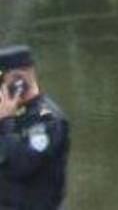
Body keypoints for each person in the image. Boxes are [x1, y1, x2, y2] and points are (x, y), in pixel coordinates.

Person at [0, 45, 69, 210]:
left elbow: (20, 165)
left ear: (18, 82)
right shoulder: (8, 113)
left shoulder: (48, 121)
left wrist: (5, 122)